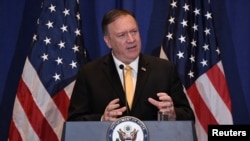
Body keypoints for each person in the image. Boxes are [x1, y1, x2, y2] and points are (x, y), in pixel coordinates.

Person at [67, 9, 195, 122]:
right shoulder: (89, 74)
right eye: (122, 35)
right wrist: (102, 120)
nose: (131, 39)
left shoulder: (165, 70)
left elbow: (188, 116)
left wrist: (173, 114)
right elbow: (74, 121)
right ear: (108, 41)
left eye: (134, 31)